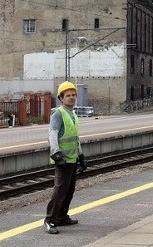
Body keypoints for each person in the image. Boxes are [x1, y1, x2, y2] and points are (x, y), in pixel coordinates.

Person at [44, 81, 87, 234]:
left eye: (73, 95)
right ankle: (50, 220)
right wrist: (56, 155)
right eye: (68, 95)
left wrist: (81, 156)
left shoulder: (73, 114)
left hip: (72, 159)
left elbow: (74, 137)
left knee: (69, 190)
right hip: (62, 160)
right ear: (61, 98)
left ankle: (62, 217)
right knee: (60, 191)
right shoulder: (58, 113)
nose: (71, 98)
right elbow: (52, 134)